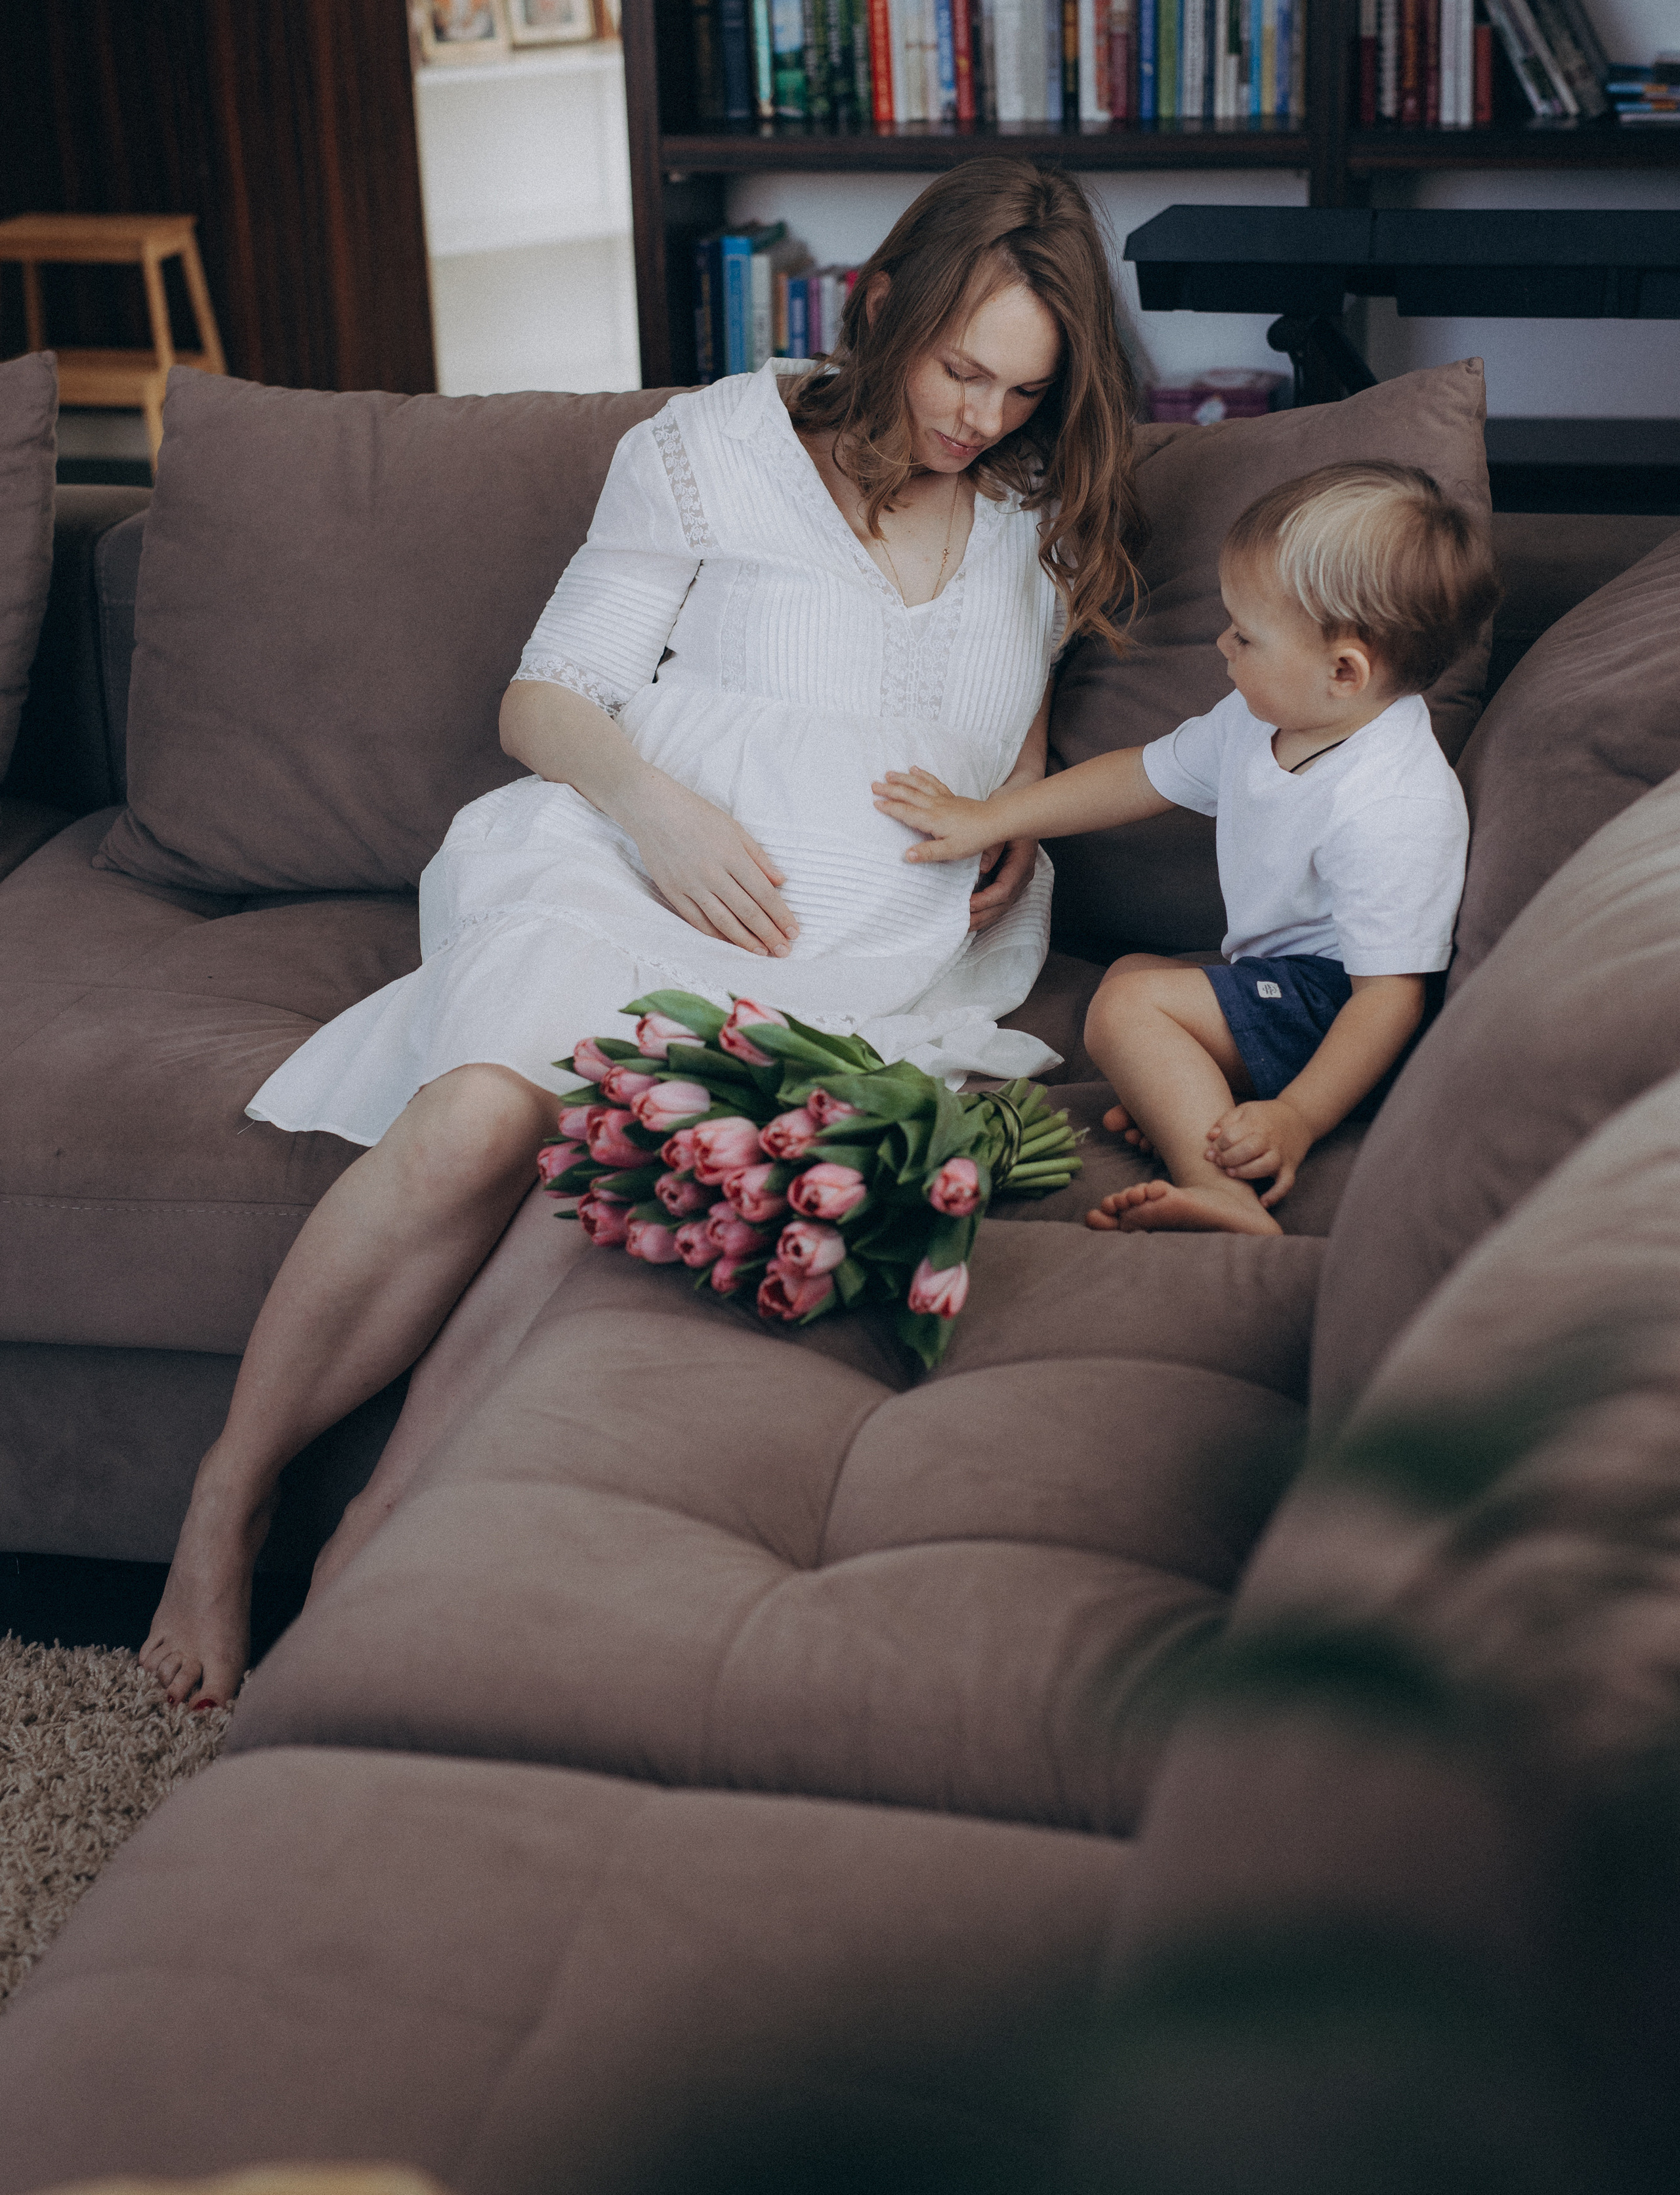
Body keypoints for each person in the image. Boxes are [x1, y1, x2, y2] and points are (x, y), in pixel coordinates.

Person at [140, 158, 1146, 1709]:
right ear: (878, 305)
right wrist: (655, 808)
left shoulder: (1035, 508)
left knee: (619, 1157)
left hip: (852, 950)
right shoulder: (710, 451)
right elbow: (543, 701)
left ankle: (375, 1536)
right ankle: (226, 1502)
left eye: (1019, 389)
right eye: (960, 367)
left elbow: (1000, 729)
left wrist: (1003, 822)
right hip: (613, 863)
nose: (978, 416)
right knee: (486, 1110)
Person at [875, 461, 1499, 1239]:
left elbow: (1390, 997)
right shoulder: (1264, 716)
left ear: (1344, 672)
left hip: (1341, 1019)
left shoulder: (1390, 801)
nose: (1221, 643)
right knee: (1138, 976)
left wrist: (1297, 1118)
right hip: (1280, 984)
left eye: (1246, 634)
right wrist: (992, 816)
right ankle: (1198, 1108)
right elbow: (1140, 775)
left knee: (1129, 1006)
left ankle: (1221, 1191)